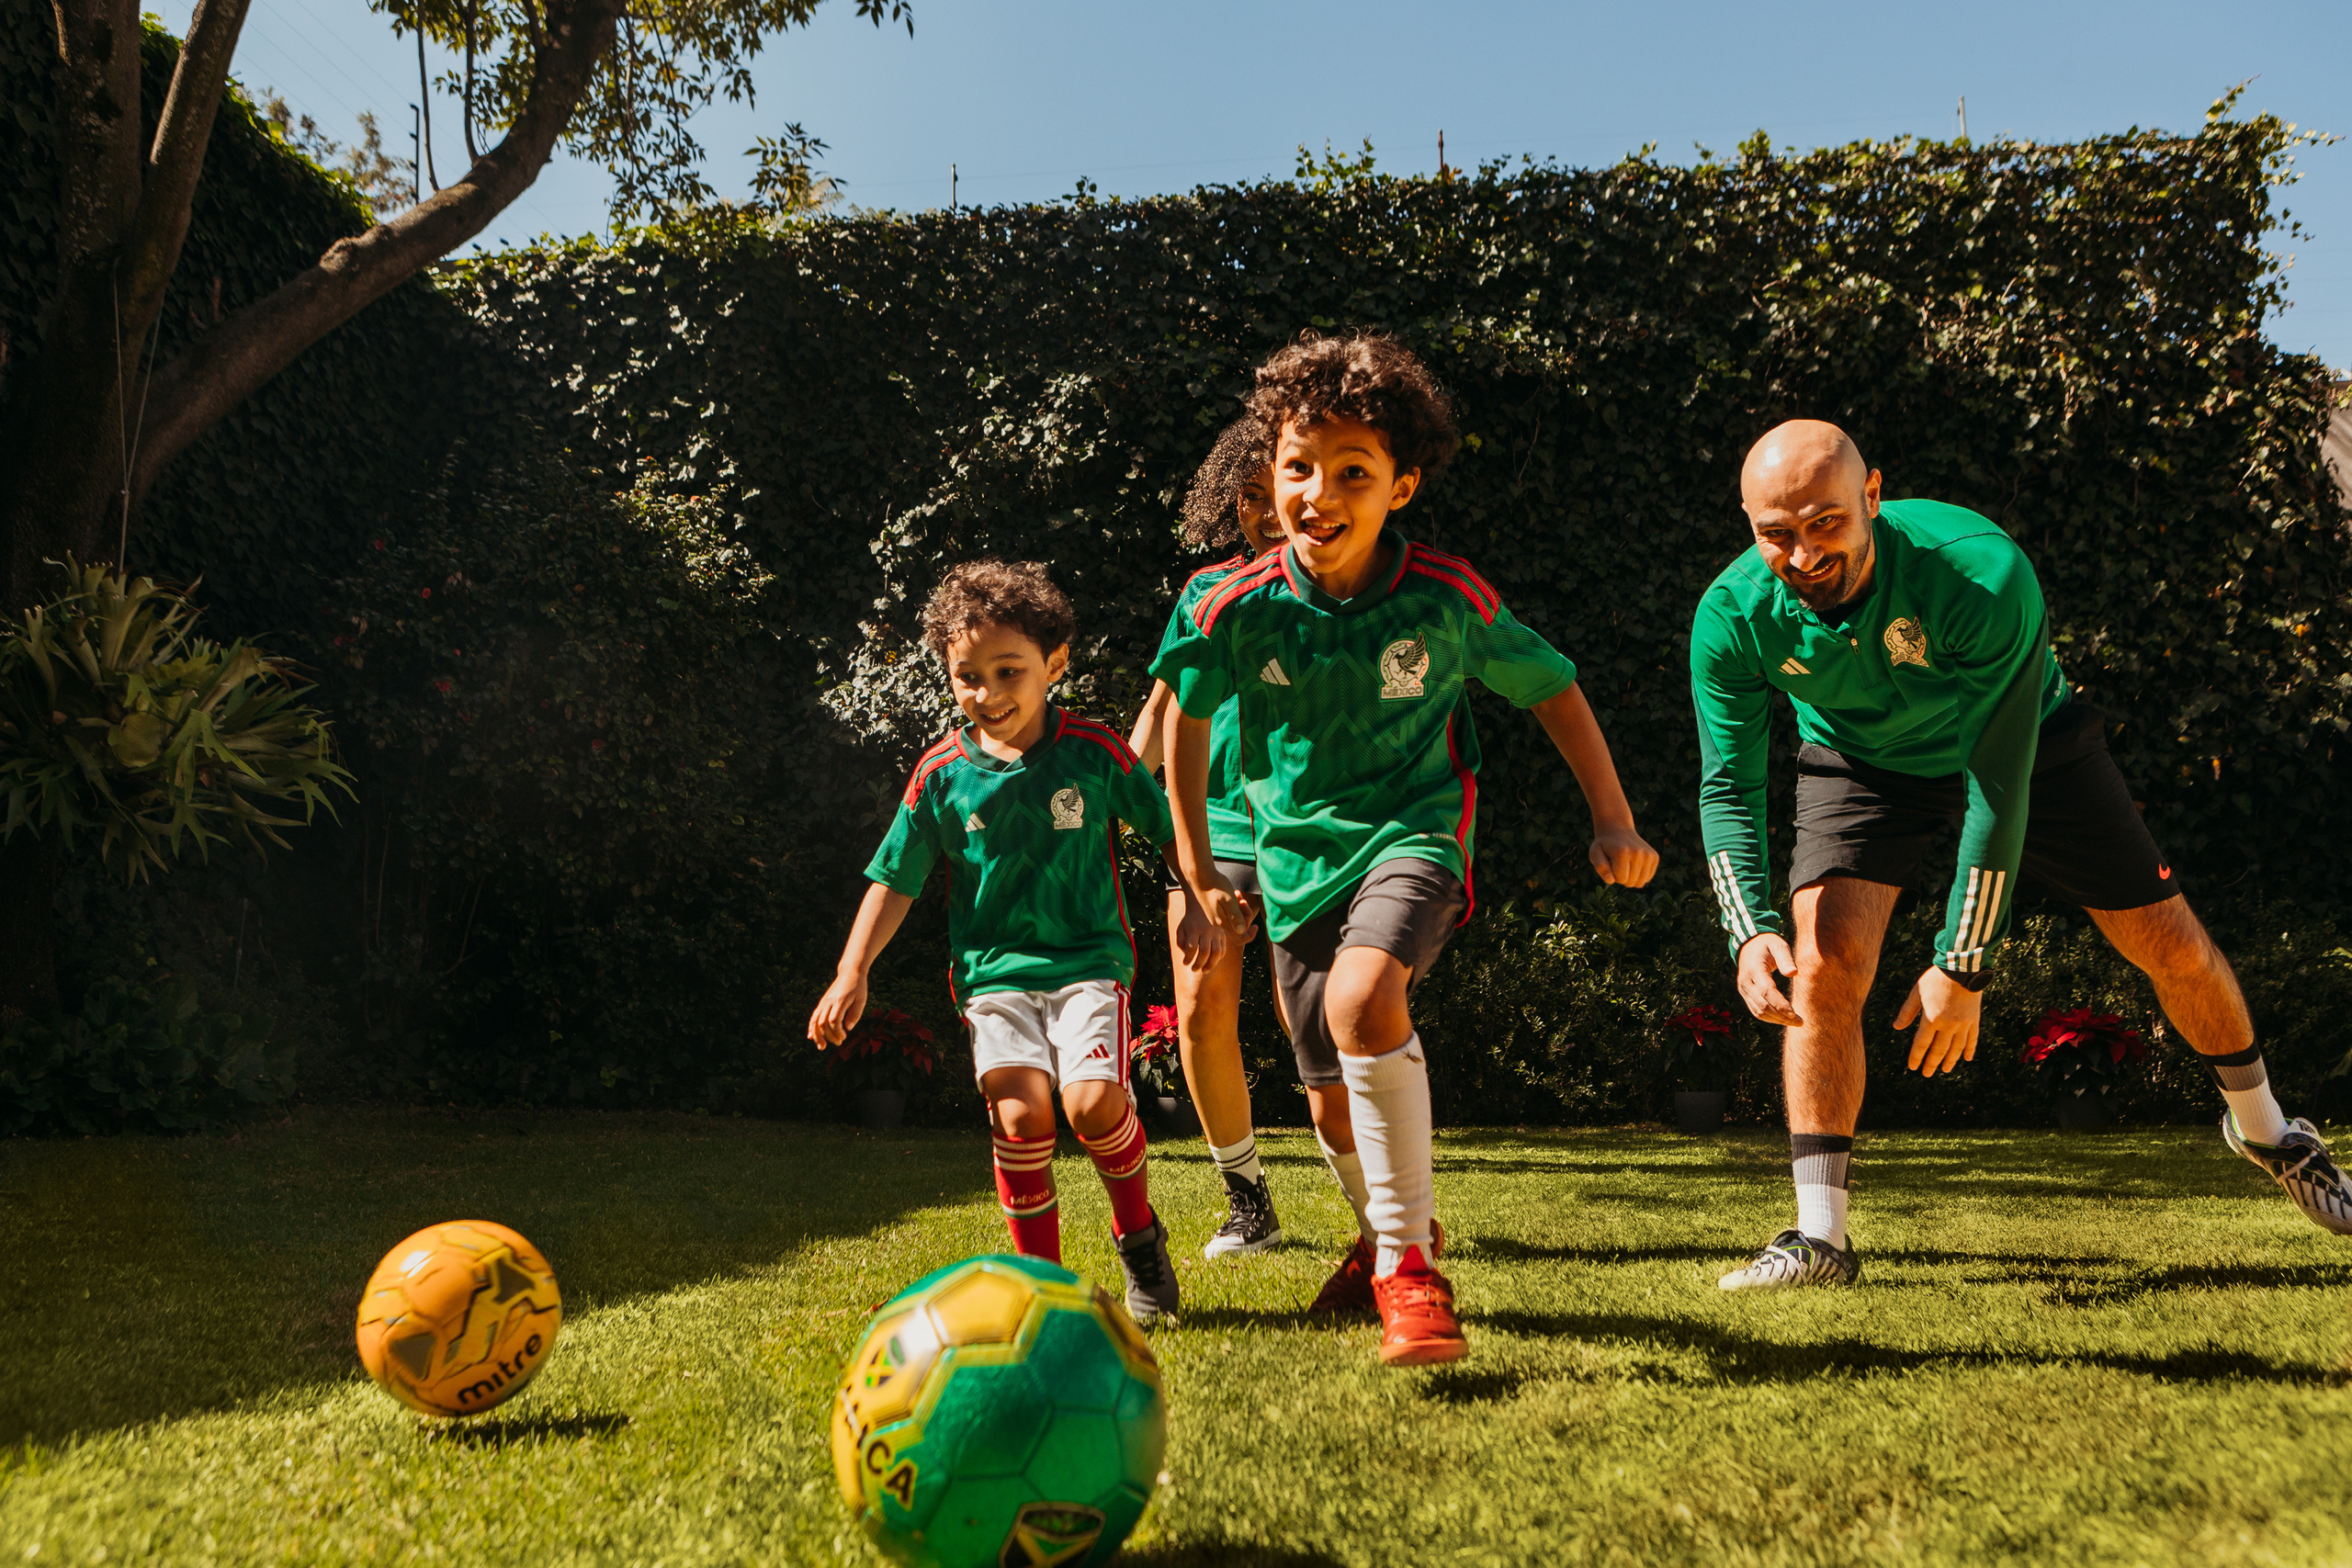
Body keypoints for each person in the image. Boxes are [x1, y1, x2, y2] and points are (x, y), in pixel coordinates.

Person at [1693, 418, 2352, 1292]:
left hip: (2025, 744)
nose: (1804, 554)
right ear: (1749, 525)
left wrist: (1962, 962)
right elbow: (1728, 786)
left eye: (1826, 523)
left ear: (1872, 496)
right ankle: (1821, 1238)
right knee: (1822, 962)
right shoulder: (1730, 615)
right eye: (1777, 533)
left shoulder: (1980, 572)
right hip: (1860, 760)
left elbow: (1996, 788)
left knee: (2170, 944)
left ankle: (2270, 1131)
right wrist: (1747, 929)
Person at [1153, 333, 1659, 1364]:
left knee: (1361, 1001)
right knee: (1330, 1102)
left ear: (1402, 486)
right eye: (1299, 466)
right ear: (1270, 472)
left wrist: (1613, 816)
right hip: (1292, 864)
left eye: (1353, 472)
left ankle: (1408, 1268)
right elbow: (1185, 726)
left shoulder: (1446, 598)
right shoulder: (1224, 606)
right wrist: (1198, 870)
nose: (1319, 493)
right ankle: (1387, 1235)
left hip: (1413, 834)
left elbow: (1553, 687)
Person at [809, 559, 1213, 1326]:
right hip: (993, 976)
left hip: (1089, 963)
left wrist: (1194, 896)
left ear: (1053, 665)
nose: (986, 692)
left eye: (1008, 671)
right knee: (1023, 1118)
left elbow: (1170, 826)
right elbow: (895, 878)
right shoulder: (941, 775)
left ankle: (1138, 1237)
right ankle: (1043, 1289)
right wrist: (851, 970)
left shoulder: (1093, 751)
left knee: (1093, 1103)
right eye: (967, 676)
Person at [1127, 413, 1294, 1260]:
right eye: (1250, 496)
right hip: (1209, 826)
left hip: (1306, 829)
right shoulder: (1205, 592)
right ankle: (1247, 1198)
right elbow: (1160, 711)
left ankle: (1384, 1200)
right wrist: (1107, 795)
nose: (1266, 512)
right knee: (1200, 1012)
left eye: (1278, 492)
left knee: (1314, 1019)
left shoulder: (1344, 596)